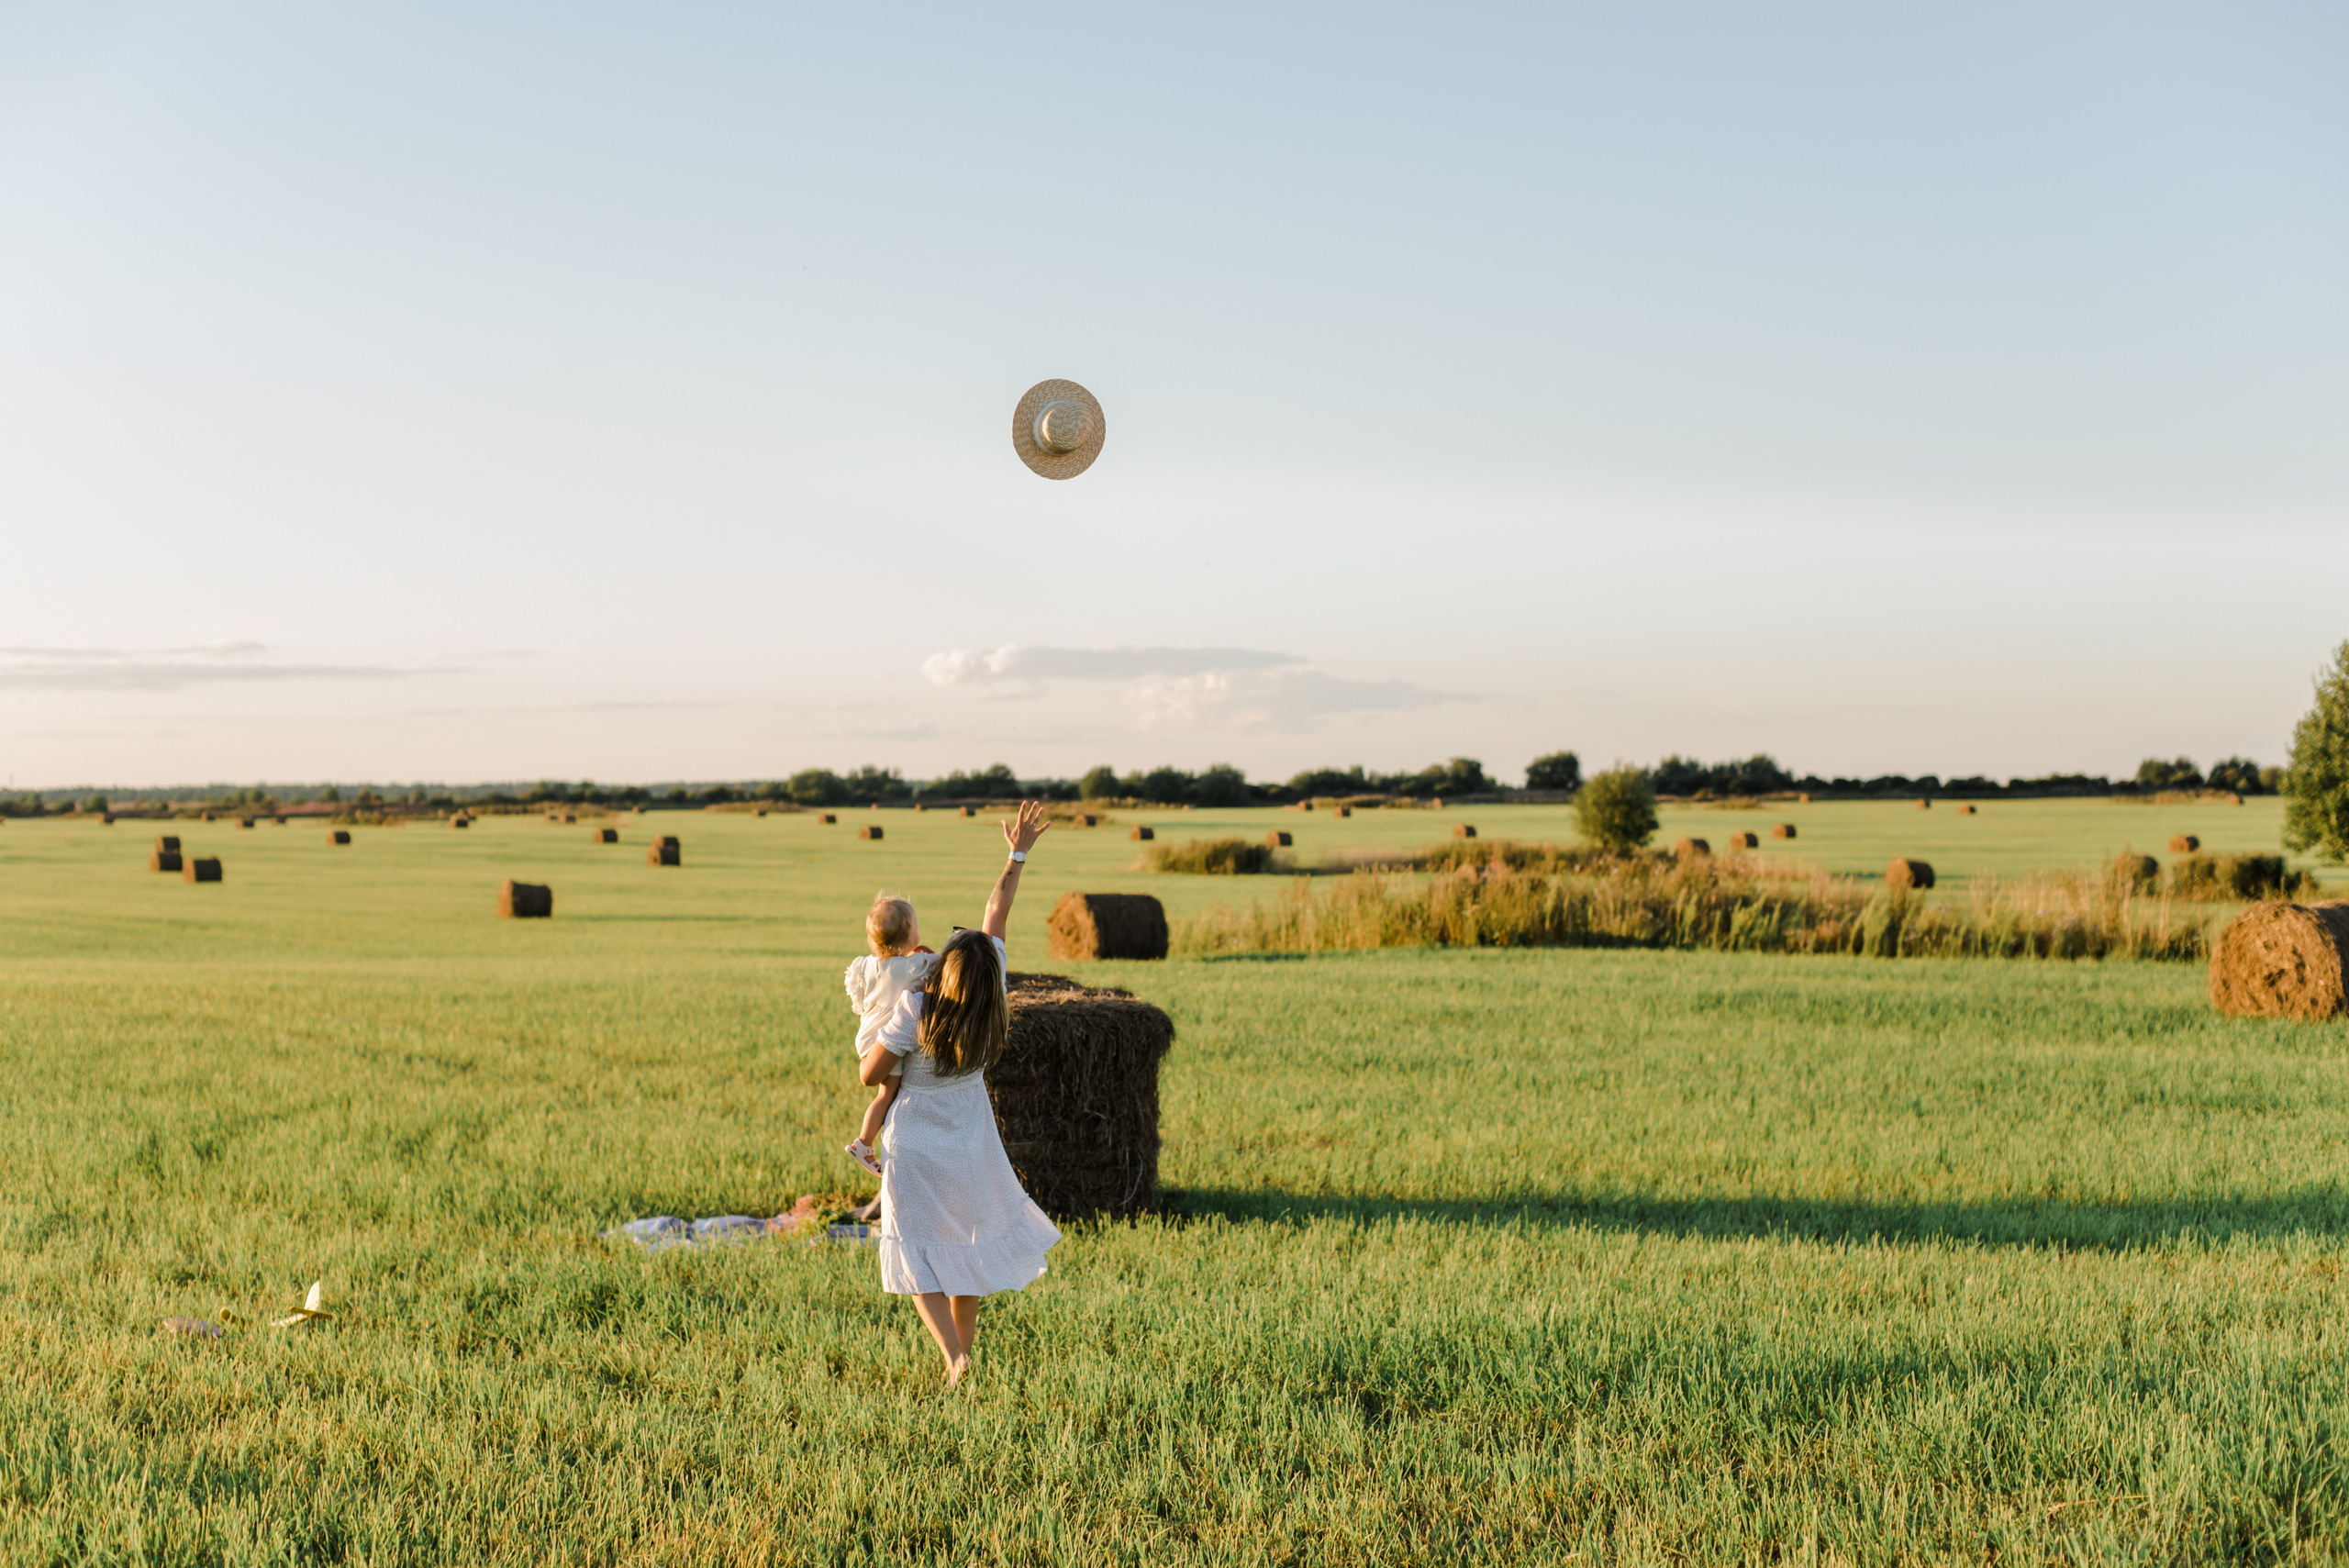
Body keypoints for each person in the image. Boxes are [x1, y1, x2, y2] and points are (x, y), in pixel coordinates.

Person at [860, 800, 1062, 1388]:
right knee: (966, 1244)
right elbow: (997, 913)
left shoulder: (917, 1006)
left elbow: (872, 1076)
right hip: (969, 1134)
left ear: (945, 968)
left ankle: (952, 1355)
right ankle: (962, 1358)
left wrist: (877, 1035)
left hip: (916, 1139)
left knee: (914, 1249)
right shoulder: (990, 991)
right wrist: (1016, 853)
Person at [841, 893, 931, 1175]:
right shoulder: (911, 967)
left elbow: (859, 997)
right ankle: (864, 1144)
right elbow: (943, 966)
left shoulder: (863, 965)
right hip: (887, 1041)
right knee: (887, 1093)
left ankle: (867, 1143)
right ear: (910, 938)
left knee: (884, 1093)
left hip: (867, 1036)